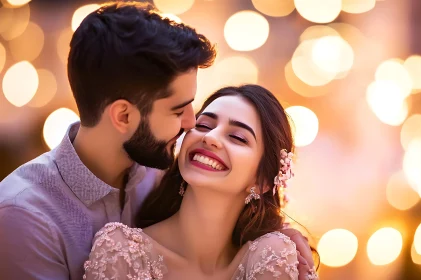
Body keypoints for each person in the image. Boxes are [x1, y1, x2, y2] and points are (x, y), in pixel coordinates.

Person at [0, 2, 315, 279]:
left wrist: (278, 237)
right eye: (179, 110)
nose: (192, 125)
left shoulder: (160, 164)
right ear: (123, 116)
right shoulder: (23, 216)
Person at [83, 84, 320, 280]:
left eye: (237, 137)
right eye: (203, 125)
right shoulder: (121, 250)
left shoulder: (272, 254)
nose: (210, 137)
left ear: (263, 181)